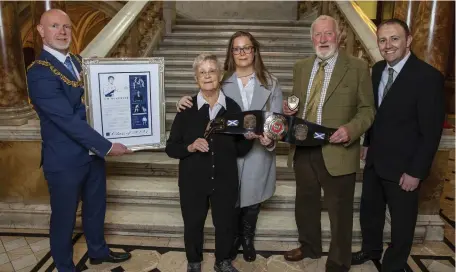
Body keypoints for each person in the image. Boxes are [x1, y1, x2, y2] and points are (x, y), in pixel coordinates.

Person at [27, 9, 132, 272]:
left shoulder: (76, 60)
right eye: (54, 26)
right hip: (64, 160)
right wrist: (107, 145)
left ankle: (97, 251)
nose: (62, 32)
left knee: (96, 208)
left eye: (67, 27)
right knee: (63, 218)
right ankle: (64, 266)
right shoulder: (39, 72)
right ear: (41, 31)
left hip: (90, 155)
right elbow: (67, 120)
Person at [176, 31, 283, 262]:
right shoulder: (221, 80)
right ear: (231, 53)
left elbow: (278, 122)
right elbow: (204, 95)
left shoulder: (271, 83)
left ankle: (247, 239)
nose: (242, 53)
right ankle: (231, 239)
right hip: (225, 154)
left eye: (247, 48)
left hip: (256, 150)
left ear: (254, 50)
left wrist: (271, 139)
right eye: (237, 49)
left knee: (253, 200)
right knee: (228, 203)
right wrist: (182, 101)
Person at [282, 15, 375, 272]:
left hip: (338, 150)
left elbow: (368, 109)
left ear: (339, 36)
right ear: (312, 38)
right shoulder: (301, 66)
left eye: (328, 34)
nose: (323, 40)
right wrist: (290, 110)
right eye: (318, 35)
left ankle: (338, 260)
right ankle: (310, 246)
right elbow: (297, 101)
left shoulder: (356, 67)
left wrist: (351, 130)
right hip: (303, 148)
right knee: (305, 203)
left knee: (339, 211)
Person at [351, 18, 445, 272]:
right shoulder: (378, 69)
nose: (388, 45)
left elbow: (431, 132)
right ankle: (370, 250)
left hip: (405, 166)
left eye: (394, 39)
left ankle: (394, 264)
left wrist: (416, 171)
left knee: (402, 222)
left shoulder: (428, 77)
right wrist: (367, 142)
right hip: (375, 160)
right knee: (370, 212)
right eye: (382, 40)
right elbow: (374, 113)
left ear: (409, 40)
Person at [166, 53, 253, 272]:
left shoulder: (232, 108)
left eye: (211, 71)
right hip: (192, 181)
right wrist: (190, 146)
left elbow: (240, 149)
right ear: (196, 78)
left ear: (220, 75)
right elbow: (171, 148)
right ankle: (194, 261)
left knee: (225, 224)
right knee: (193, 224)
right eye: (202, 72)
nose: (207, 76)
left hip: (225, 180)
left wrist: (249, 139)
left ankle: (222, 261)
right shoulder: (186, 110)